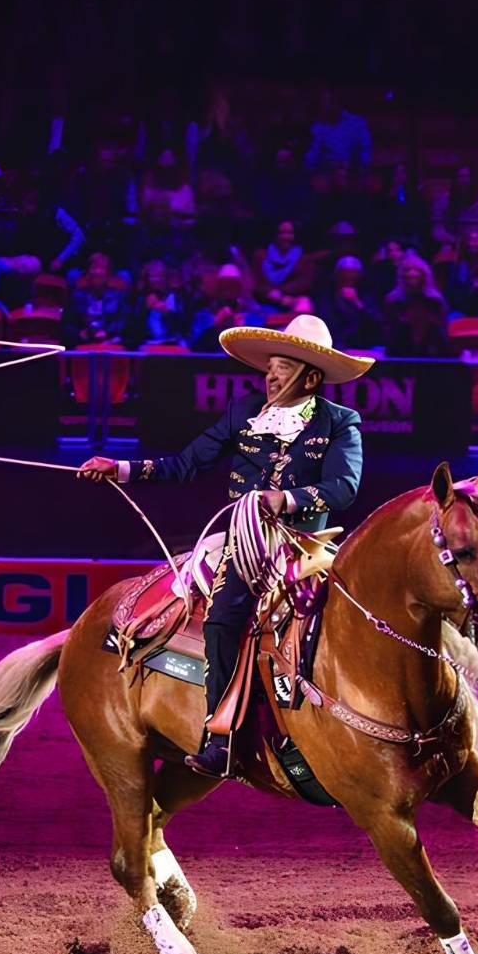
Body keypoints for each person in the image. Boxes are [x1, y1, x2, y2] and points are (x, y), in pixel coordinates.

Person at [77, 314, 370, 777]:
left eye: (282, 368)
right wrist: (121, 468)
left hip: (306, 544)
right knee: (225, 615)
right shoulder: (242, 412)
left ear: (311, 376)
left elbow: (343, 488)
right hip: (245, 543)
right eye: (269, 366)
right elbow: (185, 463)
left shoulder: (339, 423)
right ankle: (222, 737)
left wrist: (286, 499)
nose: (270, 375)